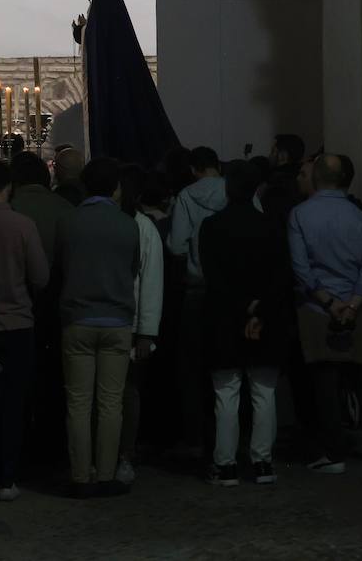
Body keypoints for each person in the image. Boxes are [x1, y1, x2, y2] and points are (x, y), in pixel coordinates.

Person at [290, 154, 362, 474]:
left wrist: (328, 302)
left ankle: (333, 454)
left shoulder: (300, 215)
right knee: (361, 376)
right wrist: (354, 302)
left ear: (317, 177)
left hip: (317, 309)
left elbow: (300, 267)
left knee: (324, 381)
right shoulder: (361, 219)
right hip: (356, 310)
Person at [200, 161, 290, 487]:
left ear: (227, 188)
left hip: (225, 320)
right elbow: (281, 277)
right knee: (264, 393)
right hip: (265, 320)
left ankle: (226, 466)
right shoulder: (273, 227)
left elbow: (214, 279)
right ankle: (263, 462)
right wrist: (258, 308)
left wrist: (241, 306)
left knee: (226, 394)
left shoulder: (212, 227)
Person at [55, 158, 142, 498]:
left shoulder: (70, 222)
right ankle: (106, 474)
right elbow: (133, 268)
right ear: (115, 187)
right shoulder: (127, 225)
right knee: (110, 402)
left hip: (78, 318)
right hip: (117, 319)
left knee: (78, 401)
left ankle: (80, 474)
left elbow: (61, 264)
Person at [0, 159, 48, 502]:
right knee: (14, 402)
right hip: (18, 323)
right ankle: (8, 476)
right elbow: (41, 276)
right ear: (9, 187)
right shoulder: (23, 224)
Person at [70, 0, 179, 166]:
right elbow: (98, 37)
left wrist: (81, 30)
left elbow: (98, 37)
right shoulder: (105, 3)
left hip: (112, 78)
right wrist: (83, 30)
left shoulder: (103, 5)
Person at [8, 151, 74, 467]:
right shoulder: (64, 209)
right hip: (54, 304)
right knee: (51, 377)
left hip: (13, 305)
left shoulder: (10, 210)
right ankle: (51, 447)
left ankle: (18, 448)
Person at [167, 145, 226, 460]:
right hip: (232, 292)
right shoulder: (238, 193)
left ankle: (195, 436)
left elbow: (177, 245)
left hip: (197, 289)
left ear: (193, 169)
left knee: (192, 367)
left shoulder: (188, 197)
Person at [114, 164, 165, 485]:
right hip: (125, 321)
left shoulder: (141, 226)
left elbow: (151, 282)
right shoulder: (140, 226)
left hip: (129, 324)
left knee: (126, 394)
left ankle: (123, 453)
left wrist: (146, 330)